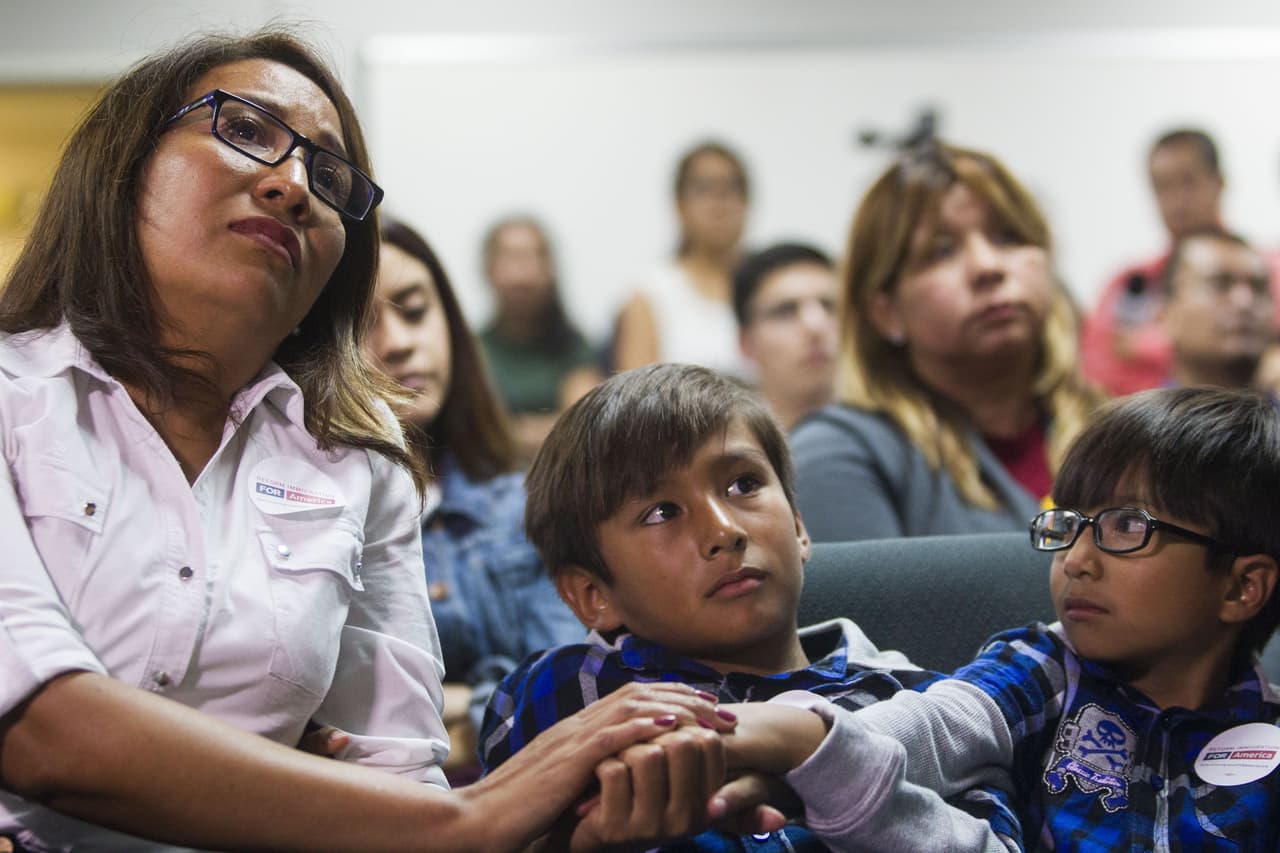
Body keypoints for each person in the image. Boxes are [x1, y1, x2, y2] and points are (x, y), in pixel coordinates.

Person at [0, 28, 739, 852]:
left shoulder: (359, 457)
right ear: (126, 163)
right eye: (247, 130)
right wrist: (461, 813)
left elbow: (397, 772)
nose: (292, 186)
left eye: (328, 174)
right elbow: (37, 727)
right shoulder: (12, 397)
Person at [479, 363, 1022, 852]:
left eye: (744, 484)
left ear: (800, 526)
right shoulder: (570, 692)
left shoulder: (917, 701)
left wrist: (834, 767)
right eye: (661, 512)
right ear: (592, 596)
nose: (724, 530)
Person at [753, 387, 1280, 849]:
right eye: (1068, 524)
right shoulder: (1043, 668)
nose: (1075, 559)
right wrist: (781, 741)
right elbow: (931, 728)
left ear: (1241, 588)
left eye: (1124, 526)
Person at [791, 141, 1103, 543]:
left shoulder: (1122, 432)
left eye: (1008, 237)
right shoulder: (838, 457)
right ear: (885, 311)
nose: (988, 266)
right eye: (942, 251)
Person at [363, 216, 583, 782]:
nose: (400, 342)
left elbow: (569, 699)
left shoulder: (524, 505)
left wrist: (456, 706)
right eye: (361, 325)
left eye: (414, 310)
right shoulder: (312, 513)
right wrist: (484, 699)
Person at [1080, 128, 1225, 396]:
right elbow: (1096, 372)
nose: (1177, 202)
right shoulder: (1128, 282)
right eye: (1162, 187)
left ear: (1219, 183)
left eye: (1187, 182)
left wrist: (1145, 346)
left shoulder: (1265, 272)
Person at [612, 141, 752, 376]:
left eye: (731, 188)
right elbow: (635, 404)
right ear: (679, 204)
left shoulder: (770, 288)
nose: (719, 202)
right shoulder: (650, 294)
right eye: (704, 189)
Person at [477, 215, 602, 462]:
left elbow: (583, 425)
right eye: (511, 258)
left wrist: (514, 431)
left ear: (550, 269)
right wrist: (552, 426)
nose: (523, 273)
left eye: (533, 257)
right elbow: (482, 433)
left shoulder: (573, 346)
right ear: (488, 270)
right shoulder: (474, 348)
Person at [732, 242, 840, 430]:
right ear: (745, 343)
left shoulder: (893, 434)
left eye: (829, 306)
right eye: (785, 311)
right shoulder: (726, 449)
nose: (816, 325)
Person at [1159, 227, 1276, 389]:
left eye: (1259, 288)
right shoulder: (1136, 414)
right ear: (1166, 315)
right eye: (1219, 284)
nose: (1245, 302)